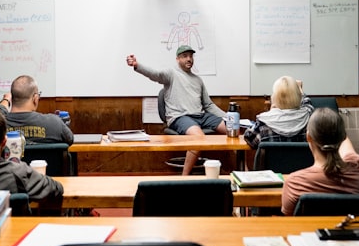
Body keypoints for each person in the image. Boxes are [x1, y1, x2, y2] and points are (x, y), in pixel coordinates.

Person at [126, 45, 228, 175]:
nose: (189, 59)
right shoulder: (171, 74)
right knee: (198, 138)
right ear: (177, 59)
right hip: (180, 117)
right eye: (185, 56)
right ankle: (184, 178)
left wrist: (229, 118)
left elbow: (208, 105)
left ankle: (243, 171)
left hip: (200, 115)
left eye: (191, 56)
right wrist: (137, 65)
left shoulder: (198, 80)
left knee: (233, 130)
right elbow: (155, 74)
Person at [281, 107, 359, 215]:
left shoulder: (295, 182)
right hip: (349, 231)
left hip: (310, 231)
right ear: (342, 136)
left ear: (308, 137)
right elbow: (347, 148)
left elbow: (289, 220)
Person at [0, 74, 73, 145]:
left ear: (12, 98)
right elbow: (70, 139)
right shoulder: (54, 123)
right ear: (35, 98)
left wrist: (5, 100)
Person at [243, 75, 313, 150]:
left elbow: (250, 138)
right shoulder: (308, 117)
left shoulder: (263, 123)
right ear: (298, 96)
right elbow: (307, 104)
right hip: (302, 162)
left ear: (274, 98)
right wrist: (299, 89)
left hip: (272, 162)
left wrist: (270, 113)